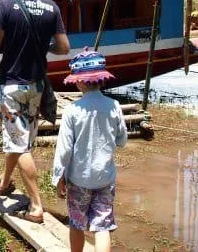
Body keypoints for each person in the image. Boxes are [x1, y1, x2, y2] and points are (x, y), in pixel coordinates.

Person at [0, 0, 70, 223]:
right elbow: (64, 47)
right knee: (19, 138)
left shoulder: (5, 6)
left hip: (12, 85)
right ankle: (5, 183)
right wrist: (45, 48)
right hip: (37, 85)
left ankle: (35, 206)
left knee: (19, 145)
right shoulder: (50, 6)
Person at [52, 47, 128, 252]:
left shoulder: (72, 110)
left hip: (78, 180)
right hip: (105, 178)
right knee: (102, 227)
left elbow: (64, 149)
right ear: (102, 79)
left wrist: (58, 176)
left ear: (78, 80)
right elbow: (121, 140)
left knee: (77, 224)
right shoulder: (114, 105)